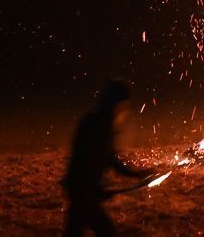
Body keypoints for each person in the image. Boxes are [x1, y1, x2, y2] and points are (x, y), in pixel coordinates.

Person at [63, 80, 154, 237]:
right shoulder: (97, 126)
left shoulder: (99, 124)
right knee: (106, 231)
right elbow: (85, 161)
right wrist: (92, 189)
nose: (123, 111)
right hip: (81, 191)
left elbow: (110, 159)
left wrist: (137, 174)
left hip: (81, 190)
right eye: (122, 105)